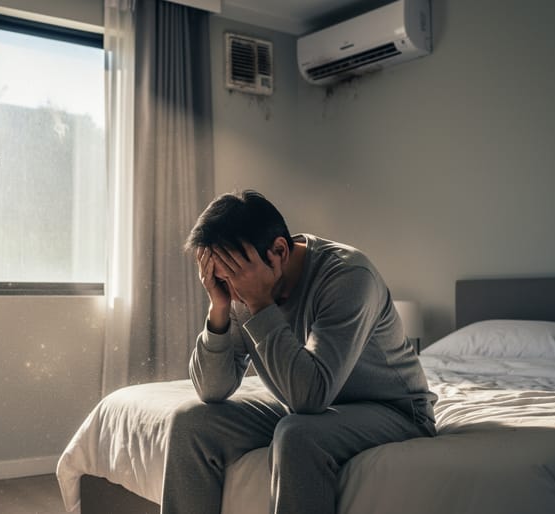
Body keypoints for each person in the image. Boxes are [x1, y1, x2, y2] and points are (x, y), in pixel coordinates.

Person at [162, 190, 437, 514]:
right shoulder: (240, 285)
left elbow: (311, 397)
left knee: (297, 435)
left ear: (279, 251)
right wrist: (218, 308)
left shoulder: (349, 277)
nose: (233, 292)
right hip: (307, 406)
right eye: (221, 280)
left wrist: (259, 302)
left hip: (395, 412)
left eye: (233, 279)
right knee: (190, 423)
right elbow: (212, 389)